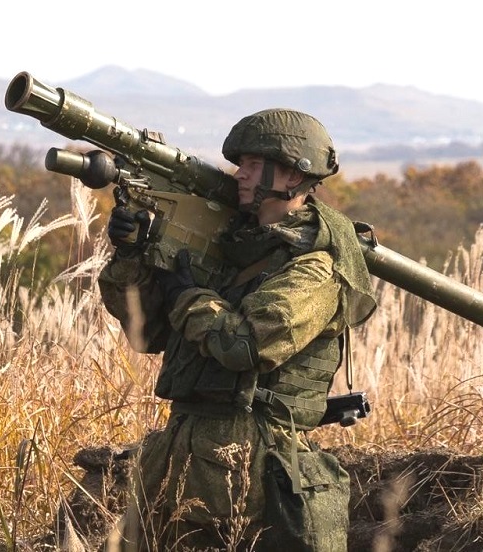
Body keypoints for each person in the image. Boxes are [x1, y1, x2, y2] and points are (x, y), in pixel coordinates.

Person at [98, 109, 377, 551]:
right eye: (240, 163)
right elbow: (146, 333)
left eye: (252, 164)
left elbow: (243, 345)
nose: (239, 174)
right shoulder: (229, 249)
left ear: (292, 175)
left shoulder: (315, 270)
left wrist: (186, 294)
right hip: (179, 452)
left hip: (253, 467)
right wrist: (133, 256)